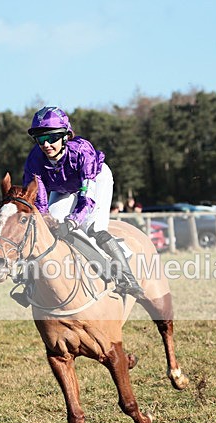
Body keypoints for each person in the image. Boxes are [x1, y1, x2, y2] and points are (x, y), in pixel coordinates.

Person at [22, 106, 144, 298]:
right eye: (40, 139)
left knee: (92, 227)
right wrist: (46, 219)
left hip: (96, 179)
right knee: (46, 230)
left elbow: (87, 199)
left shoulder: (82, 151)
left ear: (65, 136)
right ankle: (31, 285)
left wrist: (71, 222)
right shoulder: (34, 160)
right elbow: (40, 200)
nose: (46, 145)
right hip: (63, 188)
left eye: (52, 138)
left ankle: (127, 279)